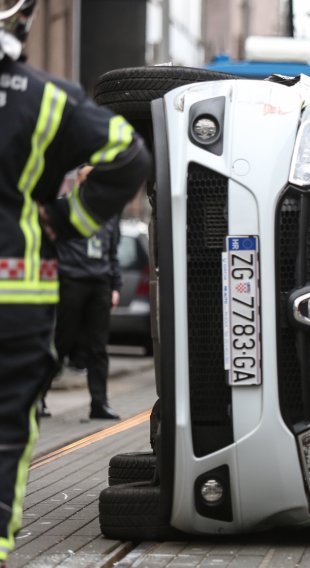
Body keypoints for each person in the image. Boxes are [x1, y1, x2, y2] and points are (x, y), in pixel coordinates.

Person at [0, 0, 151, 563]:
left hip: (55, 291)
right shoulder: (44, 98)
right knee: (7, 437)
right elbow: (129, 156)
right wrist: (61, 222)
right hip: (15, 297)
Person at [43, 168, 123, 419]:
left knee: (98, 347)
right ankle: (39, 398)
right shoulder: (62, 209)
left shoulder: (108, 212)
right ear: (77, 181)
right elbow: (47, 248)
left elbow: (112, 253)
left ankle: (99, 403)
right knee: (61, 342)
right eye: (88, 179)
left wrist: (115, 287)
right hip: (70, 282)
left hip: (99, 283)